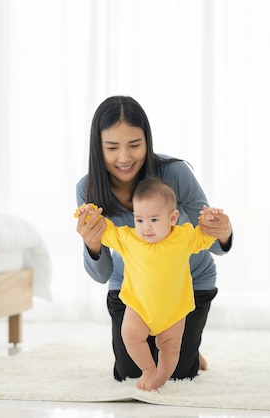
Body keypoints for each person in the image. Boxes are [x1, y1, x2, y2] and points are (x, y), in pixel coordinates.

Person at [75, 95, 233, 384]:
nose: (124, 158)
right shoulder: (89, 189)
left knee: (176, 374)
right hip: (133, 294)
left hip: (186, 289)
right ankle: (180, 347)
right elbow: (102, 275)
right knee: (131, 373)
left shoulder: (174, 173)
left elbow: (212, 242)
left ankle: (190, 349)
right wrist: (93, 245)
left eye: (134, 145)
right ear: (98, 148)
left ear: (147, 141)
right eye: (112, 147)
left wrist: (222, 230)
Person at [75, 177, 221, 390]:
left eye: (153, 220)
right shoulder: (128, 238)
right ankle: (149, 370)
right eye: (139, 220)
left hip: (174, 310)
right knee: (130, 336)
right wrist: (88, 214)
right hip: (139, 307)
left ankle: (161, 378)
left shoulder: (183, 236)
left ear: (172, 218)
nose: (146, 227)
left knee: (170, 349)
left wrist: (211, 221)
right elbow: (105, 229)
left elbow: (205, 238)